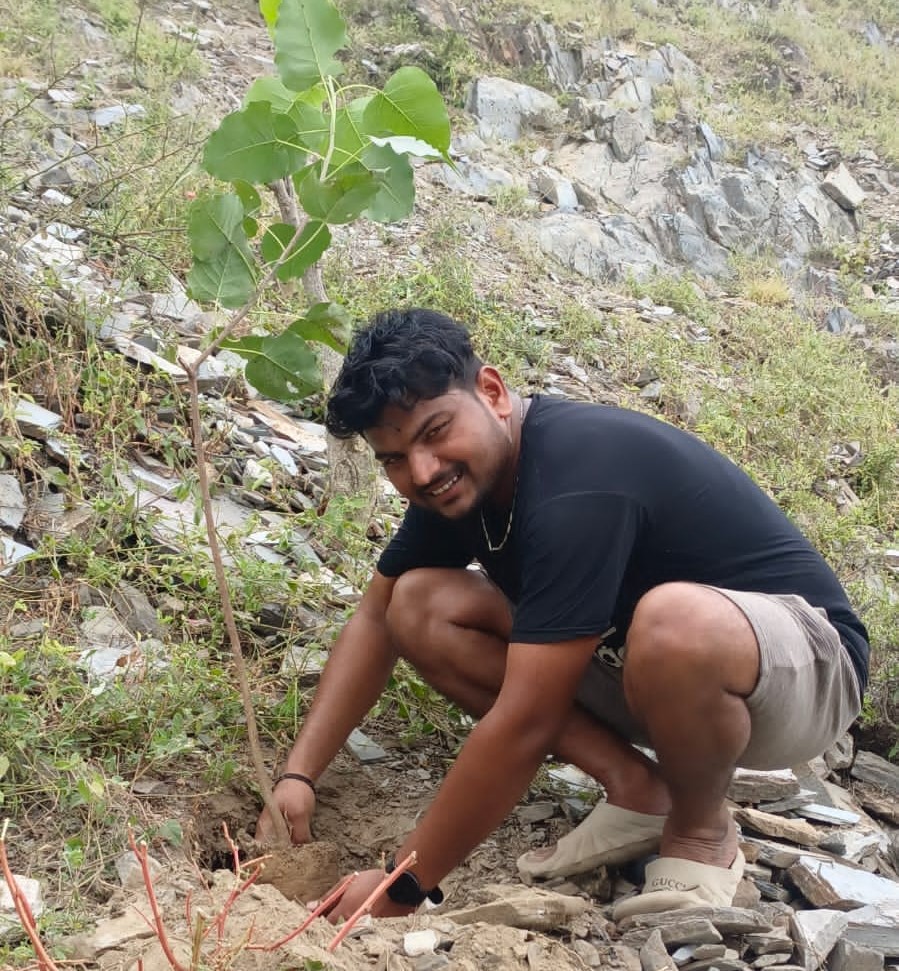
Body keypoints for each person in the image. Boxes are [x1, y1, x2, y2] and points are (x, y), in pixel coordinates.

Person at [256, 307, 868, 920]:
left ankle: (702, 831)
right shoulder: (459, 484)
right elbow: (373, 619)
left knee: (672, 621)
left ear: (491, 393)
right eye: (393, 458)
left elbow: (526, 717)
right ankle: (639, 791)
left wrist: (403, 886)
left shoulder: (577, 475)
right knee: (417, 604)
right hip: (644, 671)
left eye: (435, 431)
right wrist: (299, 775)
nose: (422, 470)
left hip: (800, 674)